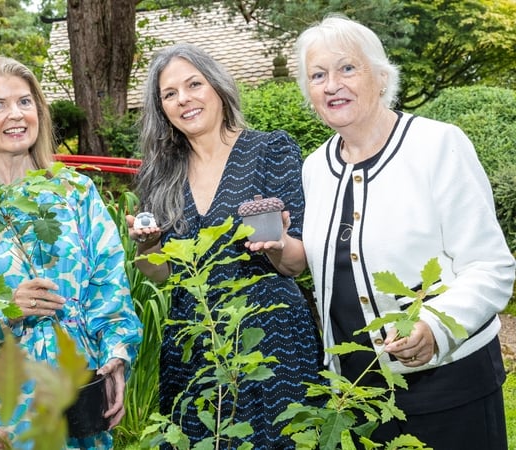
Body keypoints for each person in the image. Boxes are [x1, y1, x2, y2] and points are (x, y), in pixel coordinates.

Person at [295, 15, 515, 449]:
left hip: (450, 389)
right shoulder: (315, 167)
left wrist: (434, 326)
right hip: (358, 397)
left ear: (380, 77)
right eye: (318, 75)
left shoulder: (437, 145)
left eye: (347, 68)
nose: (332, 84)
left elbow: (491, 267)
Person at [0, 55, 143, 449]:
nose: (16, 115)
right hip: (3, 401)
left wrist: (116, 358)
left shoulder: (76, 193)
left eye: (25, 102)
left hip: (81, 388)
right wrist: (5, 306)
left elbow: (109, 284)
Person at [129, 43, 323, 449]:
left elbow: (296, 263)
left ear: (217, 87)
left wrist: (276, 244)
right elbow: (161, 273)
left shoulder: (271, 150)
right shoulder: (160, 174)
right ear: (161, 108)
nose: (184, 99)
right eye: (170, 93)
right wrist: (148, 247)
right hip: (193, 338)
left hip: (270, 339)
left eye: (194, 84)